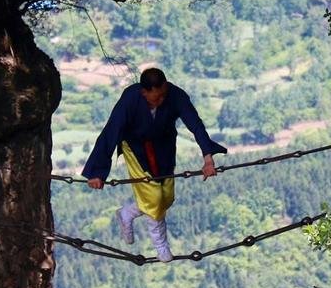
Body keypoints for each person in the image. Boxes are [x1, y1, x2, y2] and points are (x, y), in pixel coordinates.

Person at [83, 67, 227, 261]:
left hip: (164, 148)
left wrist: (208, 158)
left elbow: (195, 124)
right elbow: (112, 131)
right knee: (154, 196)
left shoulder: (175, 95)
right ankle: (161, 247)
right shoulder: (131, 98)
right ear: (144, 92)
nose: (160, 100)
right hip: (136, 148)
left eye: (162, 95)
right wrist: (97, 173)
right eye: (155, 97)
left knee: (166, 197)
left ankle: (127, 213)